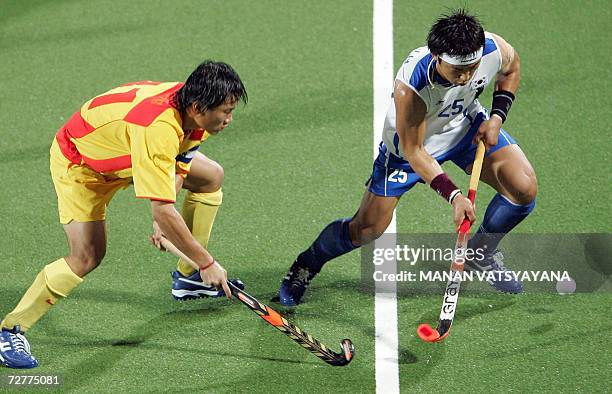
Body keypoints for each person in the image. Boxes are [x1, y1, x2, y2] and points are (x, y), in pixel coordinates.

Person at [278, 9, 537, 306]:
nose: (466, 77)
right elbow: (415, 152)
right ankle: (307, 264)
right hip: (409, 150)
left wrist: (497, 118)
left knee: (523, 186)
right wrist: (454, 197)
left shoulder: (492, 49)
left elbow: (511, 69)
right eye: (457, 71)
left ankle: (480, 253)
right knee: (366, 229)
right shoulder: (412, 87)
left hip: (466, 127)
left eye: (472, 68)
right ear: (437, 56)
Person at [0, 61, 248, 368]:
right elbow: (162, 204)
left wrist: (165, 221)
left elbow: (179, 163)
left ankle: (190, 279)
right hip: (83, 164)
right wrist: (205, 259)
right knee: (87, 255)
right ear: (199, 106)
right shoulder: (159, 127)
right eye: (225, 111)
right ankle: (11, 329)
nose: (229, 119)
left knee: (211, 177)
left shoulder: (193, 110)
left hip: (129, 152)